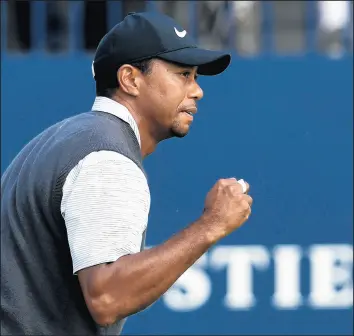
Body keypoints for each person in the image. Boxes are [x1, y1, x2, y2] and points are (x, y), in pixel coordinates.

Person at [1, 11, 253, 335]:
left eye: (196, 77)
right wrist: (211, 225)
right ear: (130, 79)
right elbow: (107, 297)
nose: (196, 90)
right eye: (183, 74)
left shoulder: (67, 137)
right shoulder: (107, 158)